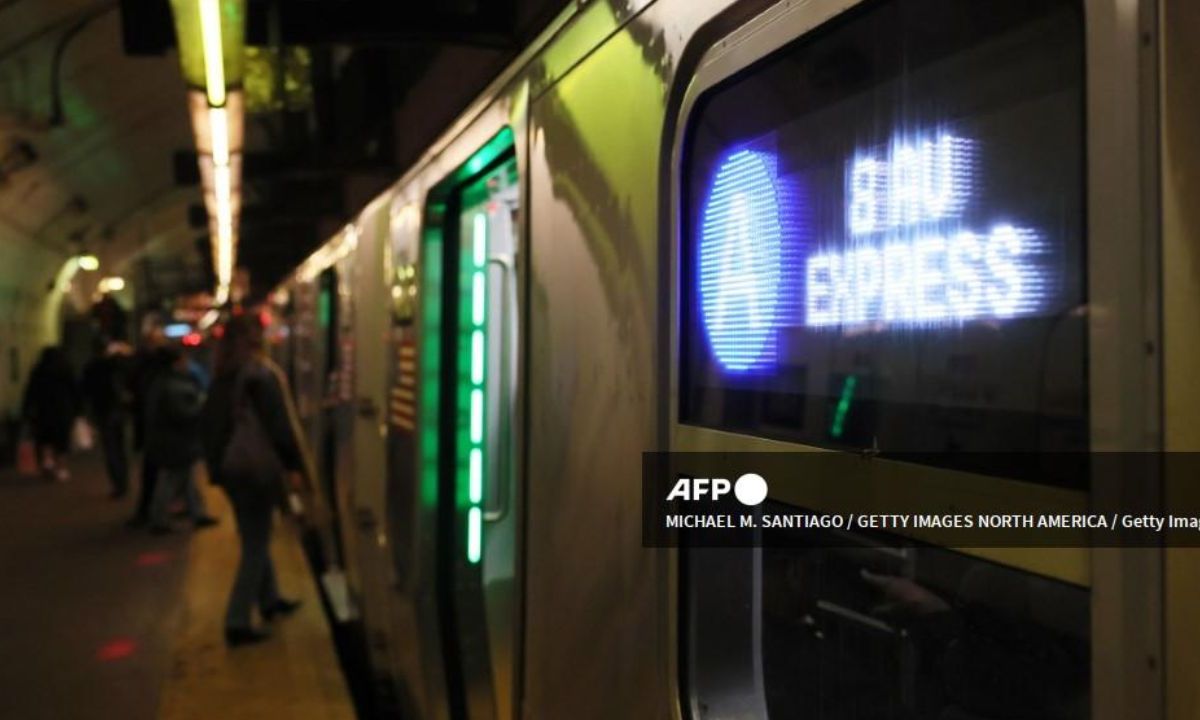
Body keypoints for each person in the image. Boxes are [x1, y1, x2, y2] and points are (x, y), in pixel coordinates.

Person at [203, 314, 304, 647]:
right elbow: (279, 427)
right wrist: (294, 465)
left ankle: (270, 599)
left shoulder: (220, 375)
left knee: (254, 535)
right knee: (257, 544)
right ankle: (237, 620)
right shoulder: (259, 374)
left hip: (231, 469)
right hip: (255, 469)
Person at [144, 345, 218, 534]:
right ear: (176, 364)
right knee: (172, 479)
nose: (188, 364)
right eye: (184, 360)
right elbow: (184, 413)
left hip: (170, 440)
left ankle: (197, 513)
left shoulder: (161, 382)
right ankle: (160, 519)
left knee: (184, 479)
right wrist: (201, 404)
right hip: (177, 441)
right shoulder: (175, 386)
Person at [126, 330, 170, 526]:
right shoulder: (162, 369)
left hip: (151, 427)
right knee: (167, 472)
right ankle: (155, 512)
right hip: (159, 429)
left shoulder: (142, 367)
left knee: (155, 472)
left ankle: (150, 511)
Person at [21, 346, 80, 482]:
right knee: (61, 442)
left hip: (43, 411)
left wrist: (27, 410)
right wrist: (77, 410)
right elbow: (75, 391)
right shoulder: (66, 370)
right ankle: (61, 468)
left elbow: (30, 392)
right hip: (63, 411)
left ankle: (48, 462)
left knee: (45, 439)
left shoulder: (38, 371)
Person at [82, 338, 132, 498]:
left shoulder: (91, 368)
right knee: (121, 448)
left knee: (111, 449)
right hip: (117, 410)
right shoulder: (115, 366)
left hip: (103, 411)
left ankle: (118, 483)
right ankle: (123, 481)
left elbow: (85, 390)